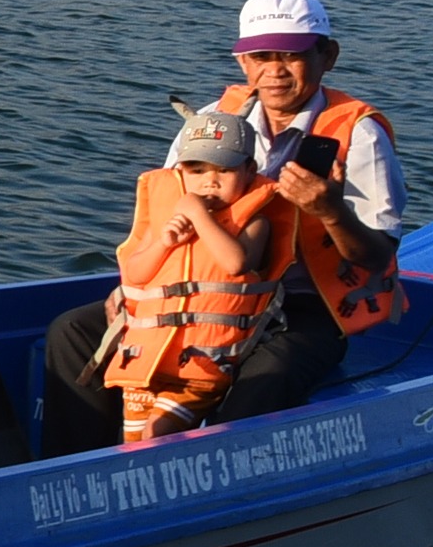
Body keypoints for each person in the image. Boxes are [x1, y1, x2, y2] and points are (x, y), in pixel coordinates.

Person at [39, 0, 405, 456]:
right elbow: (165, 216)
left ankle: (209, 493)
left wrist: (330, 210)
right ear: (242, 63)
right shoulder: (212, 121)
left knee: (268, 379)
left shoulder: (359, 135)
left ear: (327, 56)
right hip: (199, 296)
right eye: (259, 55)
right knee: (73, 332)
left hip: (301, 310)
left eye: (291, 56)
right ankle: (73, 474)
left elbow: (378, 257)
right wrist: (130, 291)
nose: (273, 70)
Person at [82, 108, 290, 446]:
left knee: (156, 433)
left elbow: (235, 263)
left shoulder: (254, 223)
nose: (210, 180)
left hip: (201, 370)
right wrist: (164, 243)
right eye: (197, 170)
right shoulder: (167, 218)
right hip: (145, 362)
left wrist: (197, 214)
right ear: (181, 172)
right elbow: (135, 274)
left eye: (224, 170)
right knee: (132, 441)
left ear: (250, 171)